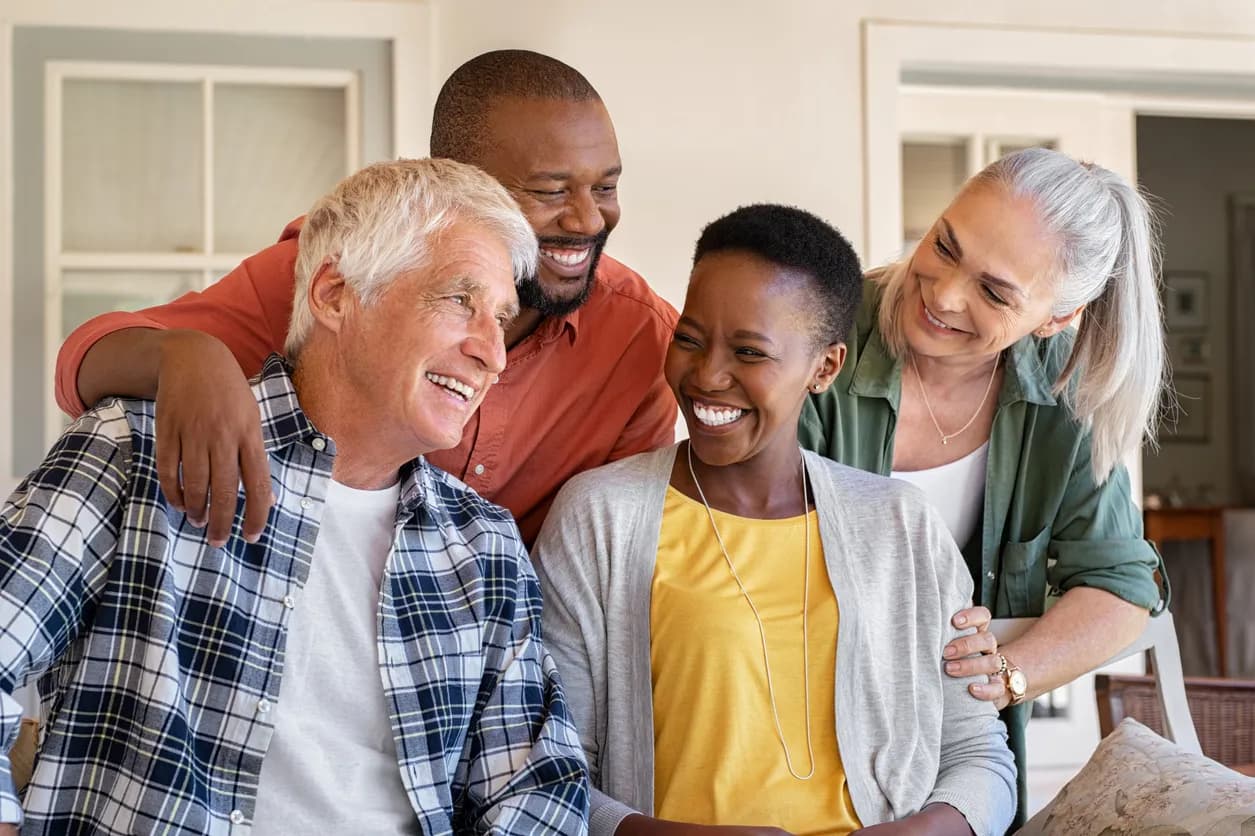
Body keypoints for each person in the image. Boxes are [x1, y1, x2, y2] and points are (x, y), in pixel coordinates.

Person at [0, 159, 588, 835]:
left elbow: (539, 791)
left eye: (501, 318)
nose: (493, 352)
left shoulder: (483, 543)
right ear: (336, 294)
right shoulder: (136, 449)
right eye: (459, 301)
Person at [54, 49, 677, 548]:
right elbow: (81, 365)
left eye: (607, 186)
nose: (589, 220)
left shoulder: (641, 338)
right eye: (550, 190)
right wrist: (183, 356)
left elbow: (606, 554)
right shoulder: (345, 271)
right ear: (459, 182)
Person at [533, 205, 1016, 836]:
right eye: (689, 338)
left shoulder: (901, 527)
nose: (706, 375)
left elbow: (979, 755)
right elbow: (550, 772)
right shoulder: (601, 517)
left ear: (825, 368)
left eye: (750, 352)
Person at [798, 147, 1170, 824]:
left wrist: (1003, 675)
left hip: (958, 748)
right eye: (943, 244)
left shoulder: (1066, 396)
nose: (940, 293)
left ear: (1057, 317)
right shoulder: (821, 326)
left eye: (994, 292)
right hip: (797, 715)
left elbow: (1119, 587)